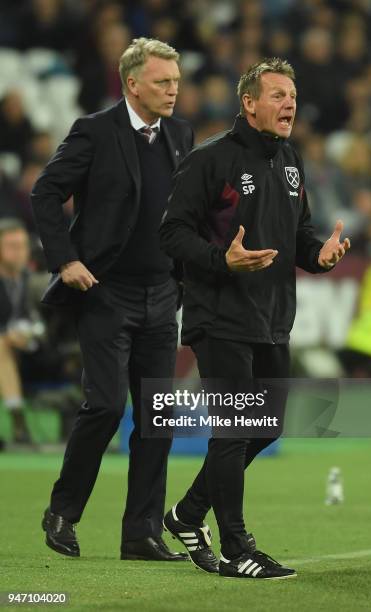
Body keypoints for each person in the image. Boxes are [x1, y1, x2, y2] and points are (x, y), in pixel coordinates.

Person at [160, 58, 350, 579]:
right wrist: (222, 260)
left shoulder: (290, 160)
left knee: (263, 427)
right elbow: (172, 233)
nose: (289, 103)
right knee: (234, 428)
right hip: (218, 315)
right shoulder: (211, 160)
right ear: (249, 103)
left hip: (271, 318)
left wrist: (320, 256)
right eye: (278, 94)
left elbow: (299, 236)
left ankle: (186, 514)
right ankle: (236, 548)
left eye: (292, 94)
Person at [31, 38, 193, 562]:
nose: (174, 90)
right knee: (104, 404)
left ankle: (141, 533)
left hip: (162, 293)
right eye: (163, 82)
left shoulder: (180, 135)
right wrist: (65, 259)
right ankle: (63, 510)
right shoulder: (95, 131)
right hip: (107, 292)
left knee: (157, 416)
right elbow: (45, 192)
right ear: (132, 84)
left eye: (176, 81)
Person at [0, 218, 40, 445]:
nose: (20, 253)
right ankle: (18, 420)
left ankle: (17, 417)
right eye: (12, 247)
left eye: (23, 246)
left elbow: (42, 320)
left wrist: (30, 333)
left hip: (32, 353)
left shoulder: (30, 279)